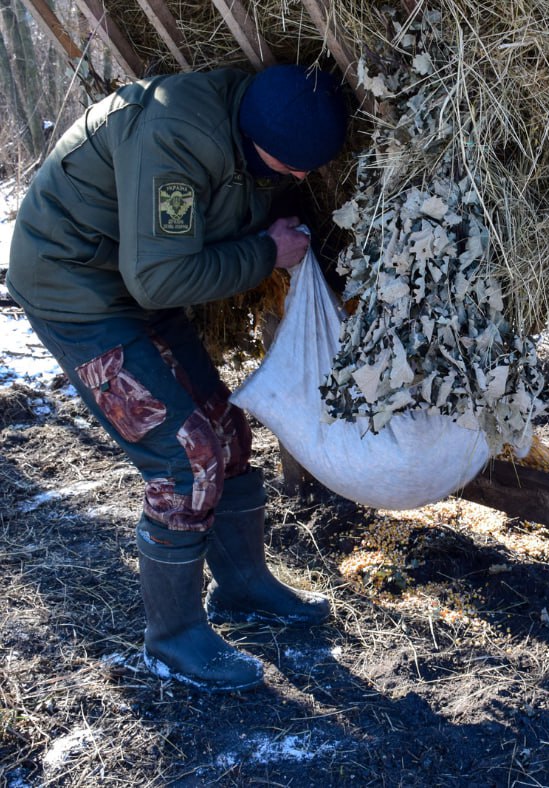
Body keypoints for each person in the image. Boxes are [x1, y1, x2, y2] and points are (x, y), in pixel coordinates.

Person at [7, 64, 349, 692]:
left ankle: (243, 587)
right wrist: (267, 255)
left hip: (133, 279)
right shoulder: (173, 136)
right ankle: (172, 639)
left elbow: (165, 262)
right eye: (290, 168)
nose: (297, 180)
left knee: (228, 432)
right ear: (255, 140)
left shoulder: (255, 115)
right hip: (76, 290)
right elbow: (161, 277)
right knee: (187, 455)